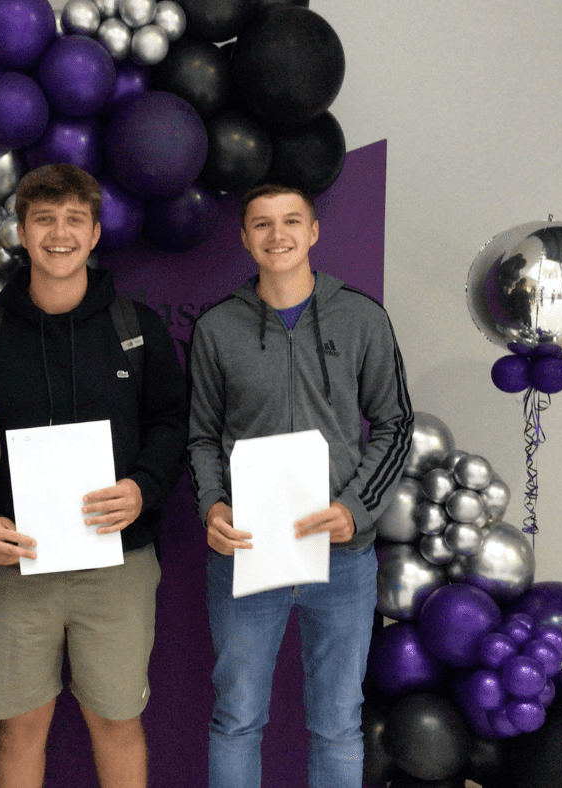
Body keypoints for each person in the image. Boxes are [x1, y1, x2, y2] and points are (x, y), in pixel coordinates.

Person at [0, 163, 187, 788]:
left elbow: (172, 423)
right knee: (19, 728)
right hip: (12, 567)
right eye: (44, 220)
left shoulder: (135, 328)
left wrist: (143, 487)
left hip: (116, 566)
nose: (59, 233)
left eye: (73, 220)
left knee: (115, 721)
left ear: (94, 234)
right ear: (23, 233)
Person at [187, 183, 413, 788]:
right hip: (247, 556)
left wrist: (356, 509)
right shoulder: (217, 328)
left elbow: (396, 424)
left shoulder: (362, 317)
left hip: (342, 558)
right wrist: (212, 506)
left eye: (291, 221)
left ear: (313, 231)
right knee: (236, 719)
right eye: (261, 224)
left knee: (338, 723)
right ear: (244, 238)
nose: (277, 235)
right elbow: (201, 438)